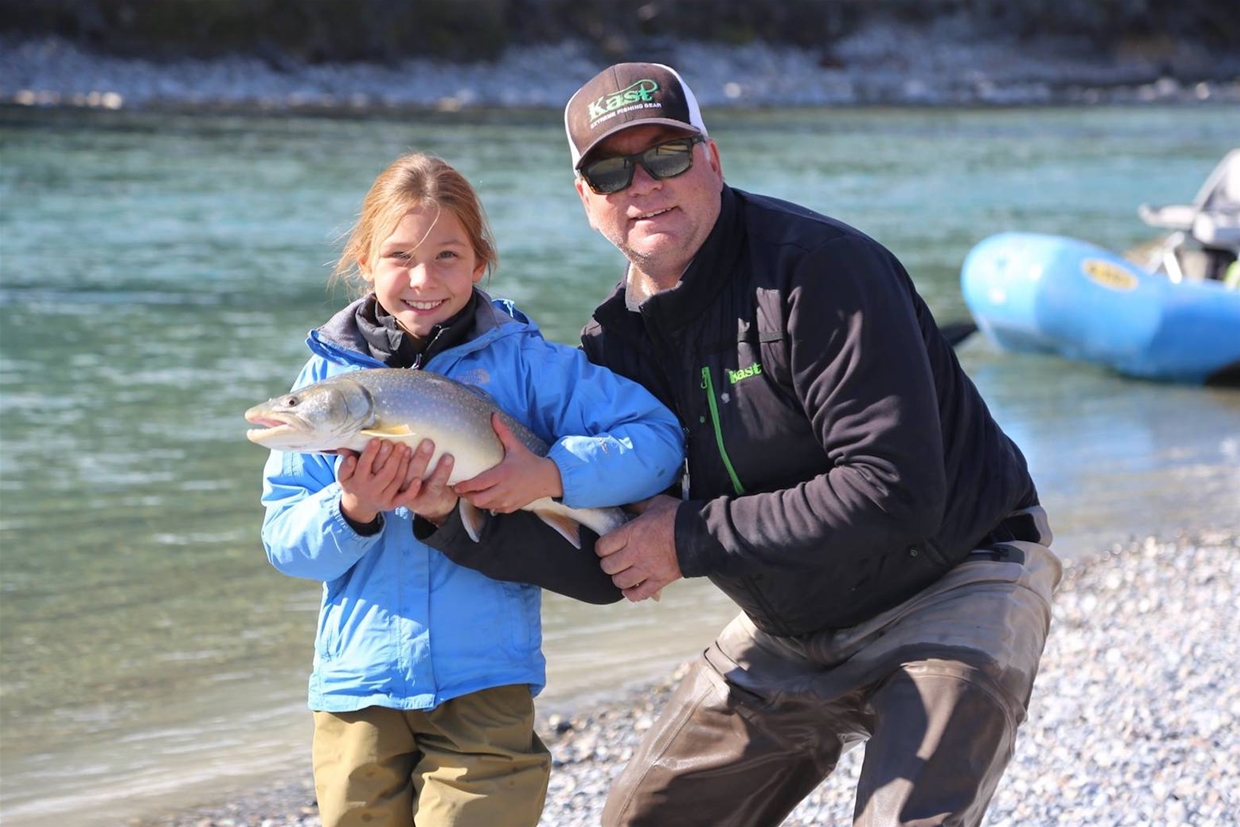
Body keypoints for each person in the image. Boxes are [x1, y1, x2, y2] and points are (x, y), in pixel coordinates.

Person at [558, 62, 1061, 826]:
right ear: (586, 197)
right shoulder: (612, 343)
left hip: (955, 579)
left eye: (665, 155)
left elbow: (894, 490)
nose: (643, 184)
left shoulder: (821, 271)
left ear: (712, 159)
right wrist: (440, 500)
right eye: (611, 169)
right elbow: (609, 536)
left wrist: (688, 537)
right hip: (788, 623)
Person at [256, 151, 683, 827]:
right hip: (354, 688)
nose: (424, 279)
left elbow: (657, 439)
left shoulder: (525, 365)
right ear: (363, 261)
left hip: (488, 679)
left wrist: (551, 474)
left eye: (448, 256)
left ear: (481, 261)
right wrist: (353, 508)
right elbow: (285, 545)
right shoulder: (327, 379)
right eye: (399, 256)